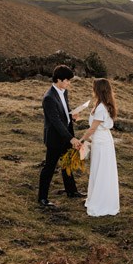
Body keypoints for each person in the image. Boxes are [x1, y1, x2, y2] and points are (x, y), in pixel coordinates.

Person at [38, 64, 85, 208]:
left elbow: (64, 112)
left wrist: (73, 116)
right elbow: (56, 122)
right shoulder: (49, 98)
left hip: (66, 135)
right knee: (49, 167)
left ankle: (71, 191)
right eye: (67, 80)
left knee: (68, 163)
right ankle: (42, 198)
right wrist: (71, 139)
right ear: (59, 79)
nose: (69, 83)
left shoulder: (63, 92)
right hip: (55, 138)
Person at [78, 78, 120, 216]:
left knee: (102, 170)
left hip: (102, 142)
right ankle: (96, 198)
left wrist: (82, 140)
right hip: (99, 140)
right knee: (98, 169)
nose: (92, 89)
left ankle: (102, 202)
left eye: (94, 87)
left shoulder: (102, 107)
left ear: (98, 89)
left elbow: (92, 129)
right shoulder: (100, 104)